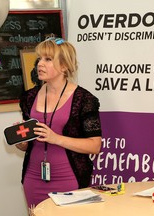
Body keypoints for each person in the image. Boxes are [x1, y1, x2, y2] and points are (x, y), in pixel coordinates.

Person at [16, 37, 102, 208]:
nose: (40, 64)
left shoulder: (84, 99)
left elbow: (94, 146)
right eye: (39, 58)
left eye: (48, 59)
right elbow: (29, 144)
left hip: (69, 180)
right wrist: (22, 142)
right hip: (33, 179)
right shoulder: (29, 97)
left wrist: (56, 138)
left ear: (64, 66)